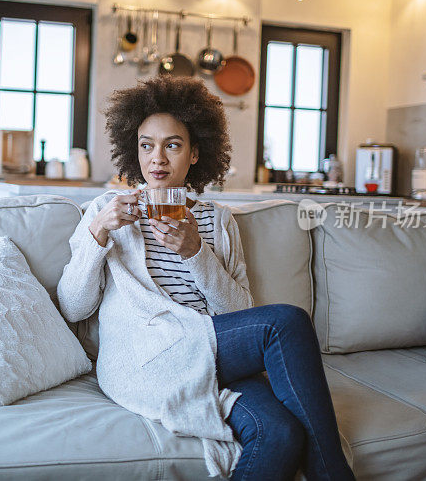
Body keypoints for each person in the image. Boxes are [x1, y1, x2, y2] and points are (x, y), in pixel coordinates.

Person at [57, 76, 354, 481]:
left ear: (195, 153)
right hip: (149, 357)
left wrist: (196, 253)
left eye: (172, 145)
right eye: (147, 145)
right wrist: (99, 235)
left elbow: (238, 310)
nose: (157, 158)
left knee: (279, 433)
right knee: (286, 322)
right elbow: (74, 307)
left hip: (209, 349)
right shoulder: (107, 211)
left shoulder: (216, 219)